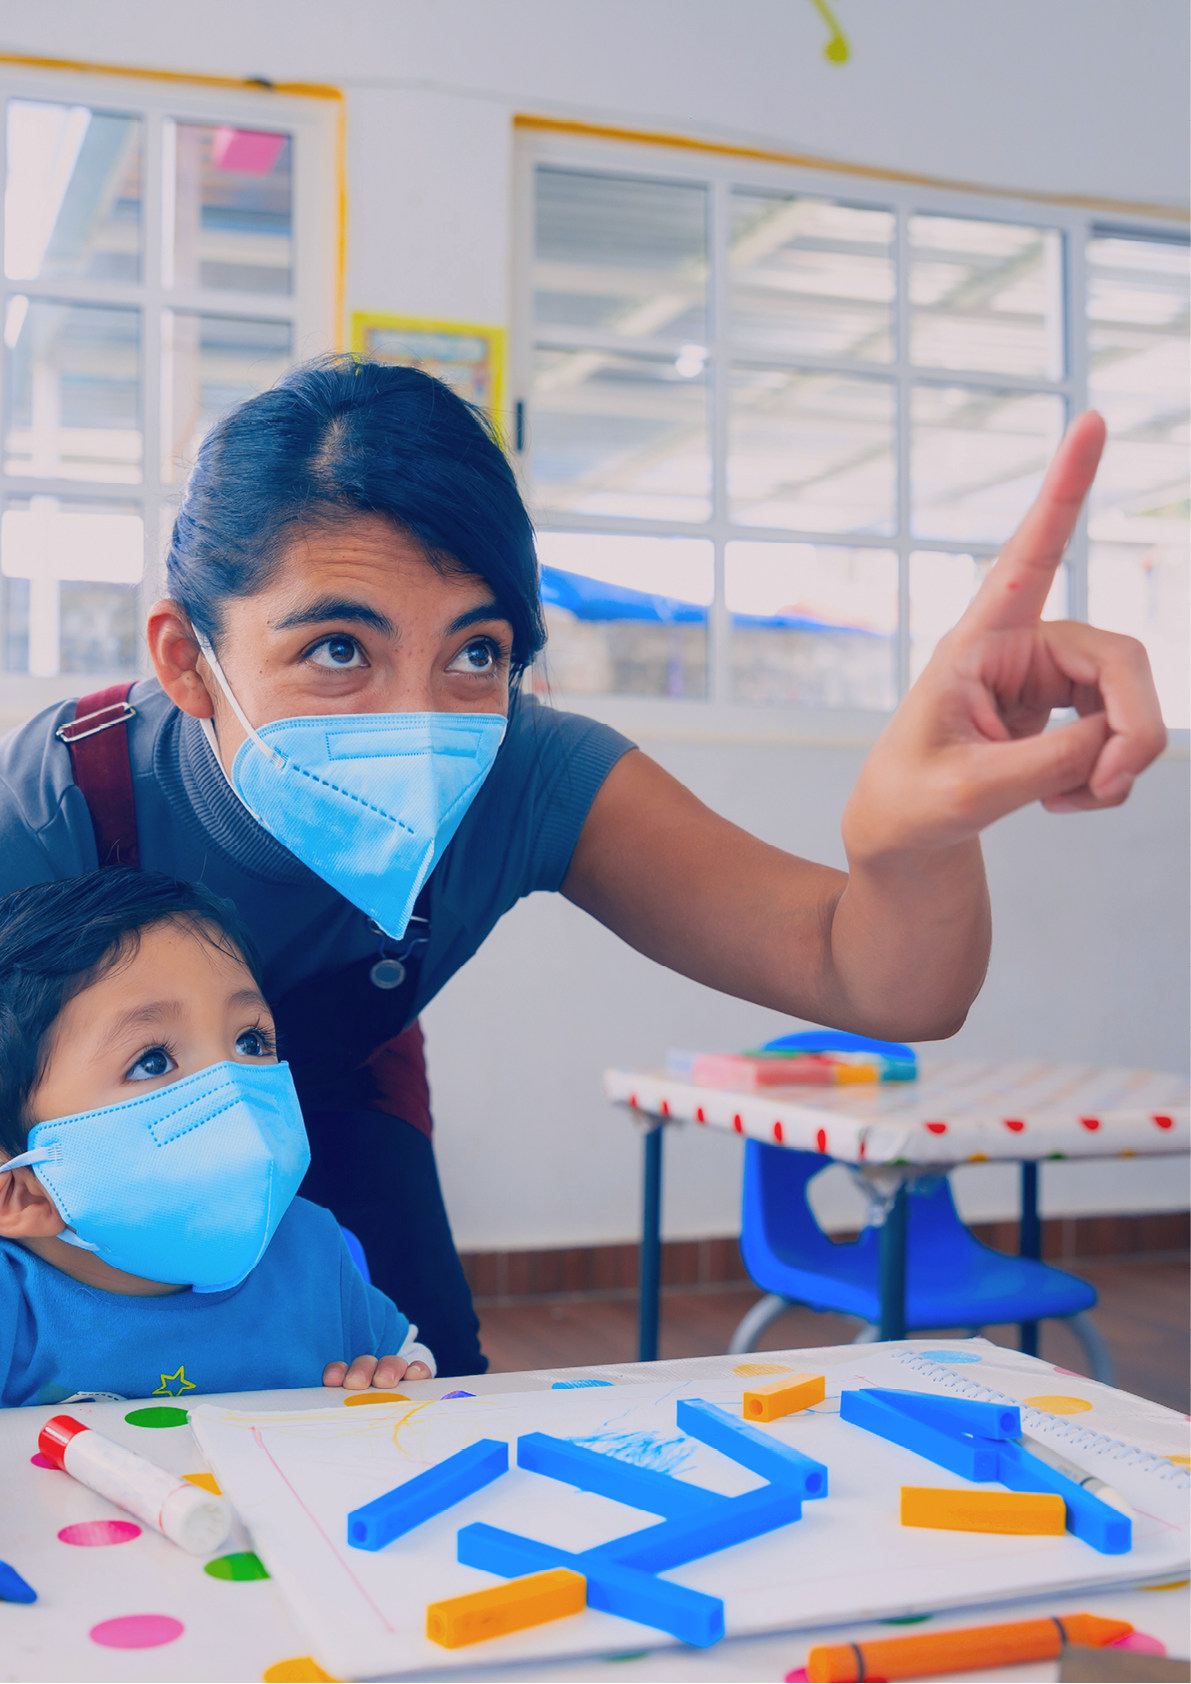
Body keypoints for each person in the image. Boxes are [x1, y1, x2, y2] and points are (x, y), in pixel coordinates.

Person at [0, 357, 1166, 1378]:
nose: (419, 715)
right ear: (188, 662)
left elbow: (882, 982)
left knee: (428, 1388)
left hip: (344, 1092)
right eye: (339, 648)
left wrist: (916, 842)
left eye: (477, 649)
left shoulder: (526, 771)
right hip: (76, 1177)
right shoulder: (59, 804)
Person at [0, 869, 434, 1408]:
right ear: (20, 1191)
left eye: (251, 1041)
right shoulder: (14, 1308)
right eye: (152, 1060)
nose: (232, 1086)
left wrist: (392, 1375)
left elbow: (413, 1368)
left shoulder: (311, 1253)